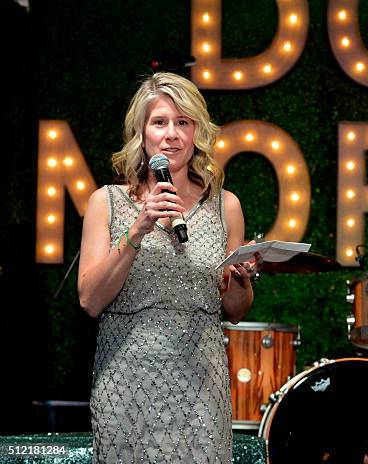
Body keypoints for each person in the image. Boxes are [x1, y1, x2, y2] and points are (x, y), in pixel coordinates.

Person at [77, 72, 262, 463]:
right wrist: (139, 227)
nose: (172, 134)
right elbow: (91, 301)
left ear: (197, 131)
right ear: (141, 132)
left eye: (183, 122)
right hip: (126, 383)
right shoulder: (106, 202)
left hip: (200, 388)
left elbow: (235, 309)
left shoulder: (225, 205)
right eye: (160, 122)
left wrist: (242, 280)